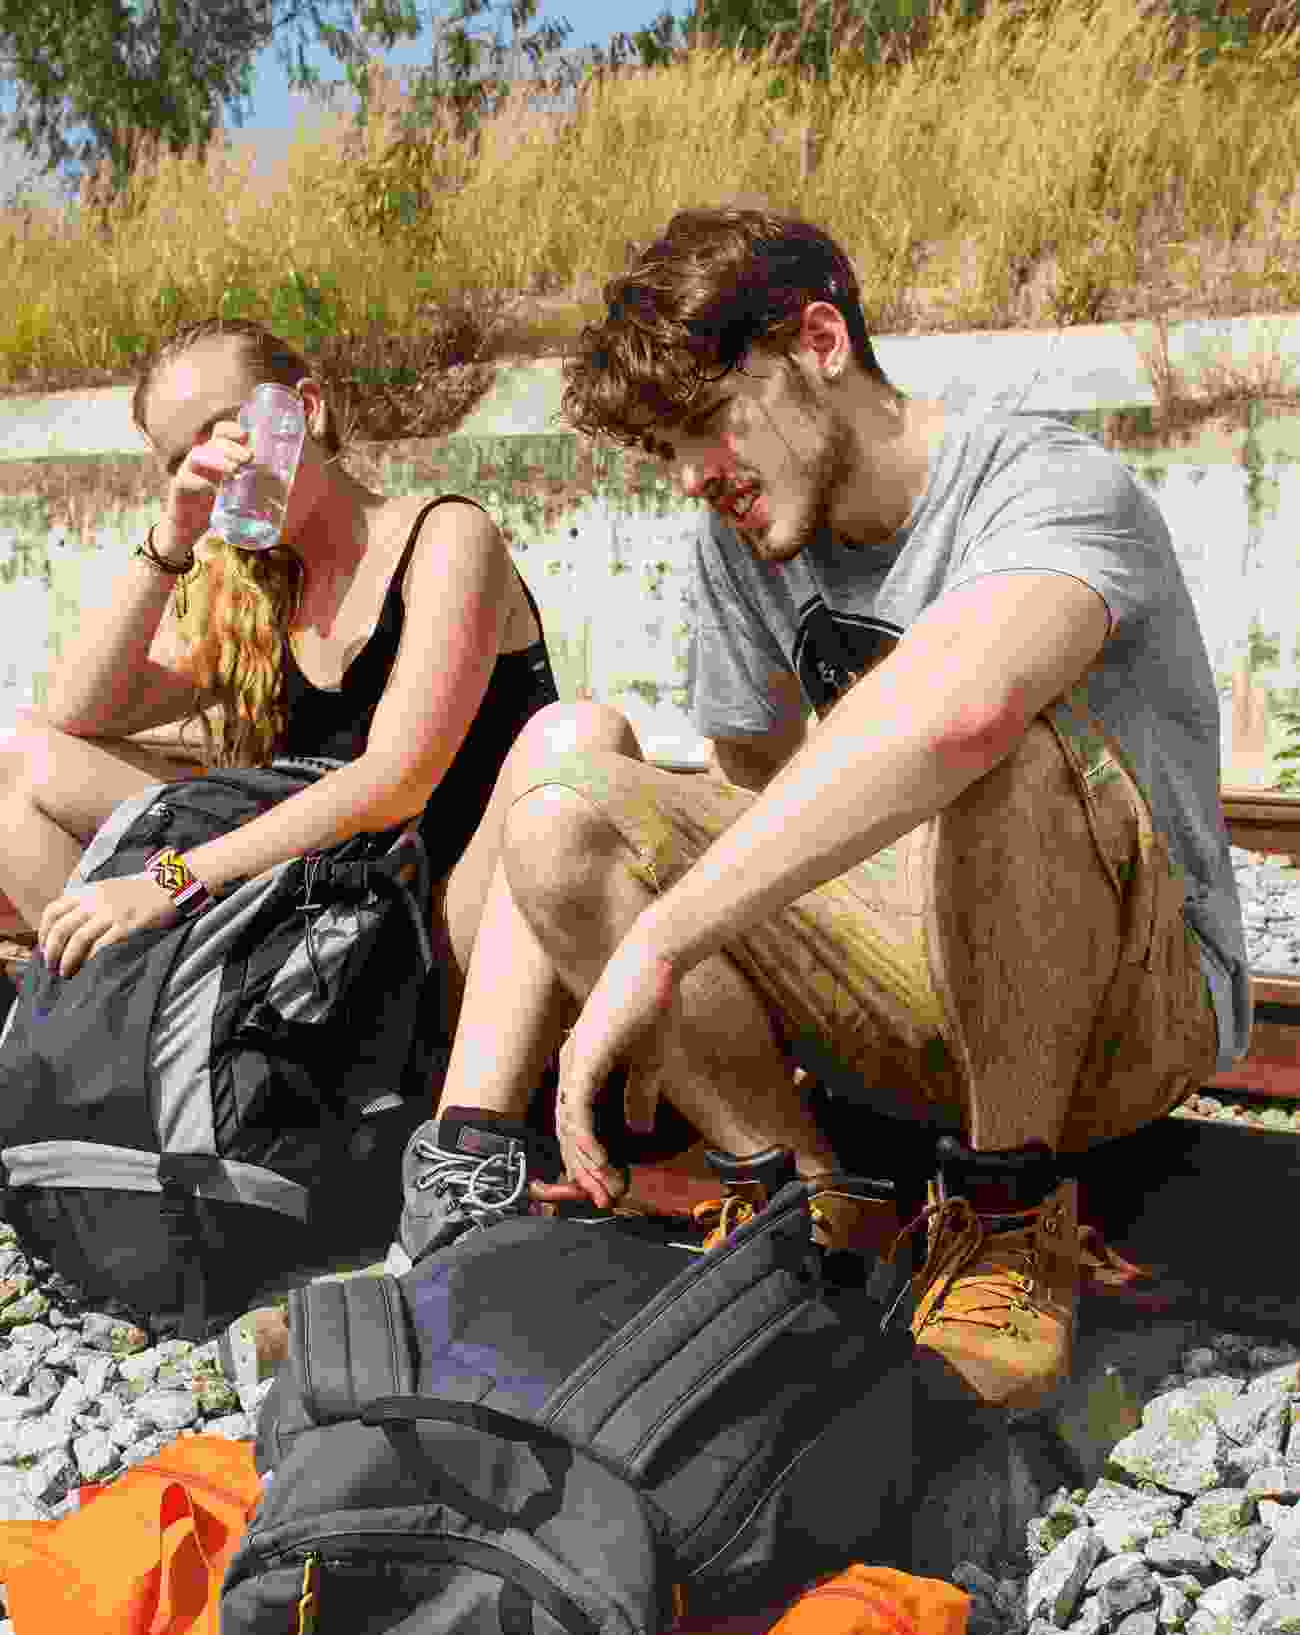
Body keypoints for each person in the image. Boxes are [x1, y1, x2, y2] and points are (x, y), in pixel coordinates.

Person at [394, 206, 1252, 1411]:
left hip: (1127, 1008)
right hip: (912, 997)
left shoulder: (1048, 482)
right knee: (563, 808)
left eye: (707, 426)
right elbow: (754, 786)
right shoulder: (742, 541)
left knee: (993, 742)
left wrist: (658, 938)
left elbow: (960, 717)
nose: (696, 476)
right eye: (669, 453)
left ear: (819, 340)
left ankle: (1007, 1218)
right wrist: (646, 946)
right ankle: (805, 1206)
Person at [0, 317, 638, 1221]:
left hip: (447, 928)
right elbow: (73, 714)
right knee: (18, 767)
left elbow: (397, 782)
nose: (213, 465)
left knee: (579, 736)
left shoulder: (446, 538)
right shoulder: (264, 590)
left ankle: (460, 1149)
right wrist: (175, 530)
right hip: (318, 930)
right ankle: (145, 1085)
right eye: (183, 454)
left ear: (307, 409)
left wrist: (171, 879)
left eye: (227, 429)